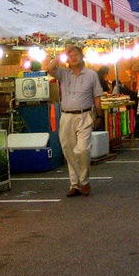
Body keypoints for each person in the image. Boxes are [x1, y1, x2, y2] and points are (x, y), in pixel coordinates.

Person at [47, 45, 103, 197]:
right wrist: (61, 54)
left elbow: (97, 97)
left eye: (76, 54)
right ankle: (75, 184)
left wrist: (99, 115)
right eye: (70, 55)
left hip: (84, 115)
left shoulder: (91, 75)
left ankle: (84, 181)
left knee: (83, 149)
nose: (73, 57)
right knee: (68, 150)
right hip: (66, 116)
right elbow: (50, 67)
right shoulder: (64, 74)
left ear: (82, 56)